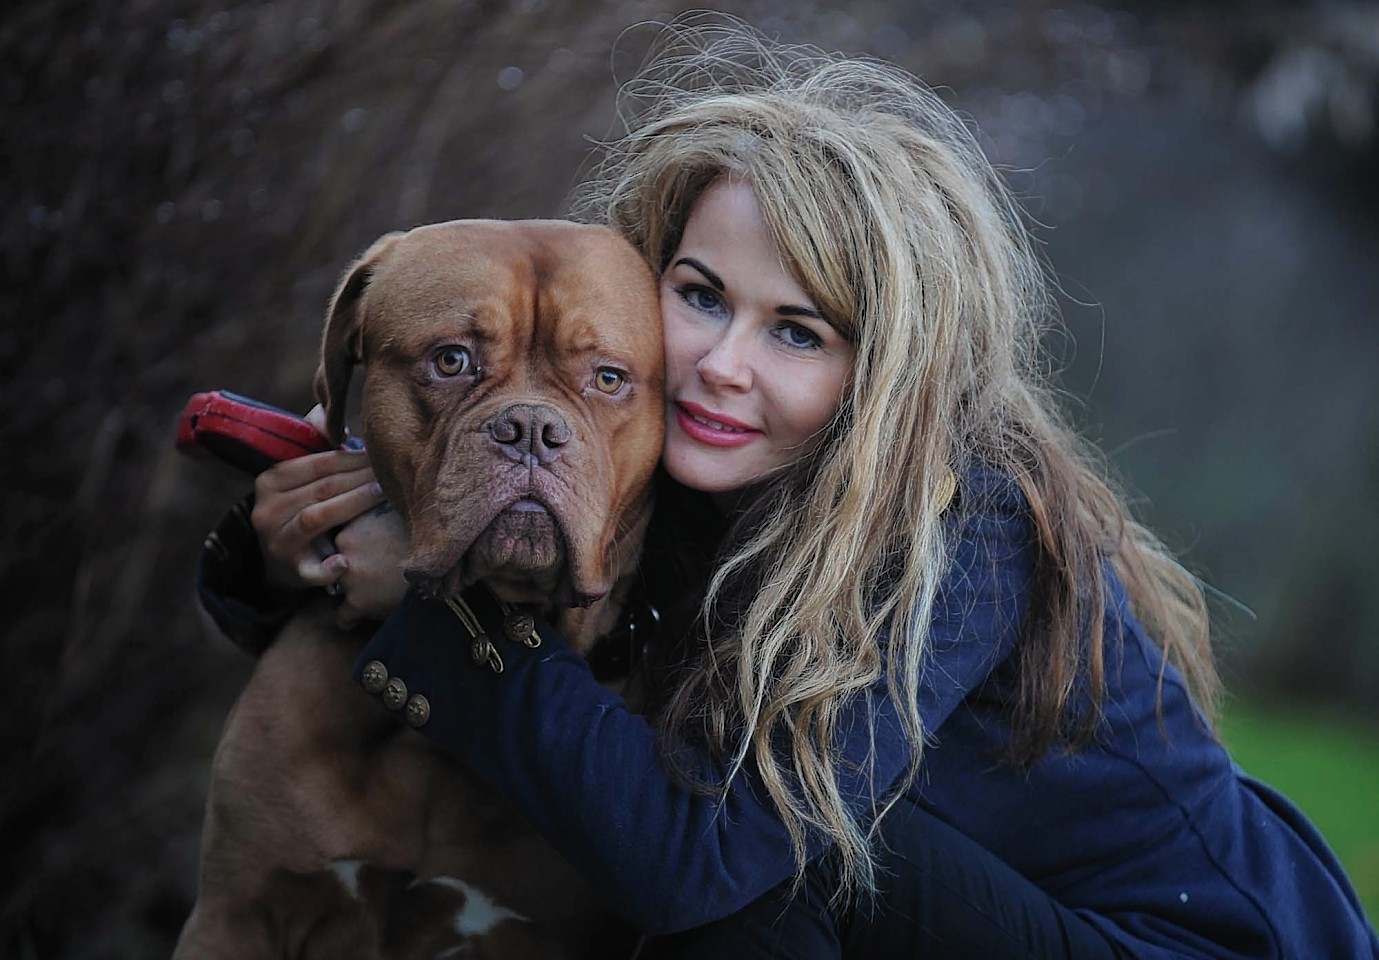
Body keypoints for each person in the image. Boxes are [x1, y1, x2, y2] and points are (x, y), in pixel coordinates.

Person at [197, 15, 1379, 958]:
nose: (722, 361)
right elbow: (512, 590)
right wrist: (276, 559)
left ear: (888, 374)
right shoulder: (652, 440)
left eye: (798, 332)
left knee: (762, 853)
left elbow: (687, 863)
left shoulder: (963, 533)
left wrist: (427, 609)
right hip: (952, 910)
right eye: (702, 295)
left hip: (1174, 943)